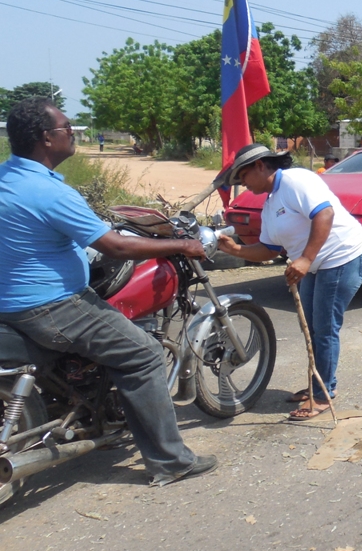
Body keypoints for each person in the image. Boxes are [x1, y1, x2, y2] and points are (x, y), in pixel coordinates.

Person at [0, 97, 216, 487]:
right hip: (51, 306)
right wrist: (181, 245)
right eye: (66, 128)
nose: (72, 134)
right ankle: (171, 460)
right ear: (46, 138)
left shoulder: (8, 178)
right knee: (144, 353)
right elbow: (115, 247)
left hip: (10, 302)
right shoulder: (47, 192)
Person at [217, 143, 362, 419]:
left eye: (243, 176)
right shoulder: (269, 204)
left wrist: (304, 259)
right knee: (313, 329)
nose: (243, 183)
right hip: (316, 265)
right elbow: (269, 248)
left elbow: (324, 214)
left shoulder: (296, 180)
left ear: (260, 166)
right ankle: (318, 384)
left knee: (324, 328)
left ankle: (324, 395)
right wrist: (235, 250)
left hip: (343, 257)